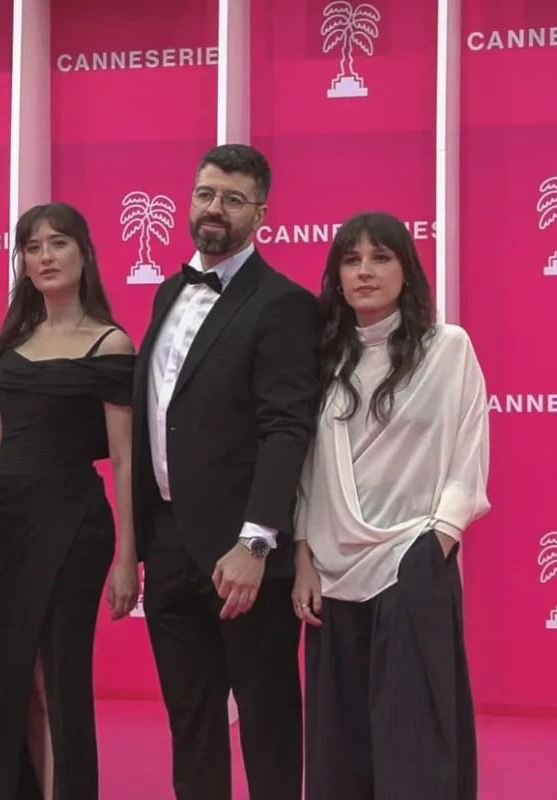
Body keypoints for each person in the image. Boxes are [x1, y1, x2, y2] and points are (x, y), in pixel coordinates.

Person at [130, 144, 322, 800]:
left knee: (267, 724)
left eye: (234, 199)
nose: (215, 209)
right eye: (206, 194)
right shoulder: (167, 292)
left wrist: (255, 541)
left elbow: (286, 428)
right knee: (191, 724)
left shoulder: (284, 304)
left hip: (244, 553)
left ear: (260, 214)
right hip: (168, 544)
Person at [293, 211, 488, 800]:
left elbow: (468, 454)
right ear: (336, 276)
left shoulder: (447, 349)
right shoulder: (322, 359)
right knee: (340, 750)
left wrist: (434, 544)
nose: (365, 271)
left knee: (416, 747)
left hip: (412, 564)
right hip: (331, 573)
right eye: (351, 260)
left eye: (380, 257)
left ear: (407, 269)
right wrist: (303, 557)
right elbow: (306, 469)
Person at [0, 202, 138, 800]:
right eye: (33, 246)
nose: (45, 256)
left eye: (58, 243)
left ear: (84, 253)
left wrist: (128, 556)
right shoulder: (16, 339)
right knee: (13, 678)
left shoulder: (111, 342)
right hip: (8, 528)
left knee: (61, 676)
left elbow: (124, 457)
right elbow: (0, 441)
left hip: (73, 524)